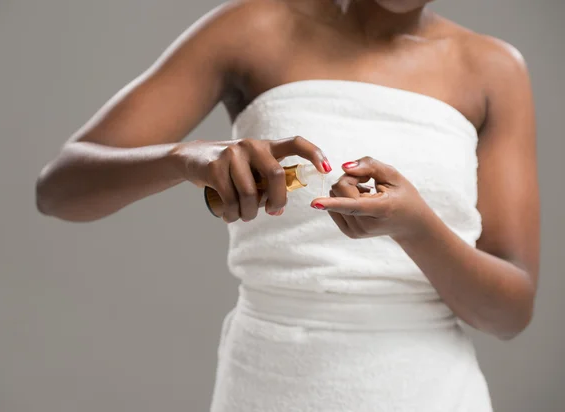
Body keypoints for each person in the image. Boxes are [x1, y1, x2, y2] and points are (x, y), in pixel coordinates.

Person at [35, 0, 540, 410]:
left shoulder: (493, 70)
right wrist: (187, 157)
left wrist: (417, 229)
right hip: (268, 384)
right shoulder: (253, 27)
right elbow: (59, 190)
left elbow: (510, 313)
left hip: (430, 393)